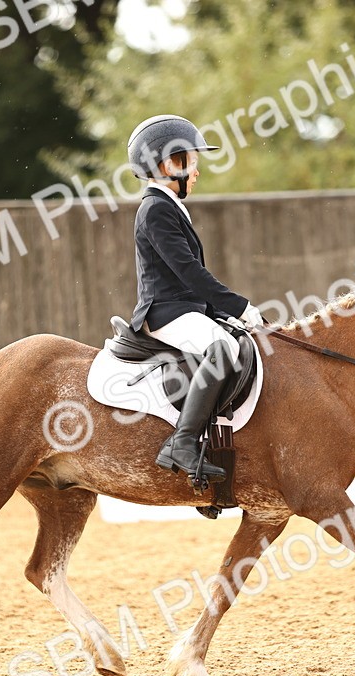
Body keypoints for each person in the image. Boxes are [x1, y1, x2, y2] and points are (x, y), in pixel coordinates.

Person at [127, 114, 265, 483]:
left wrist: (226, 313)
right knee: (222, 349)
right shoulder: (155, 209)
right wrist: (240, 306)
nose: (197, 171)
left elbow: (189, 282)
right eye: (189, 160)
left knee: (233, 339)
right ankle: (182, 442)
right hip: (165, 312)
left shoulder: (169, 205)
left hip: (183, 308)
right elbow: (189, 273)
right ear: (165, 163)